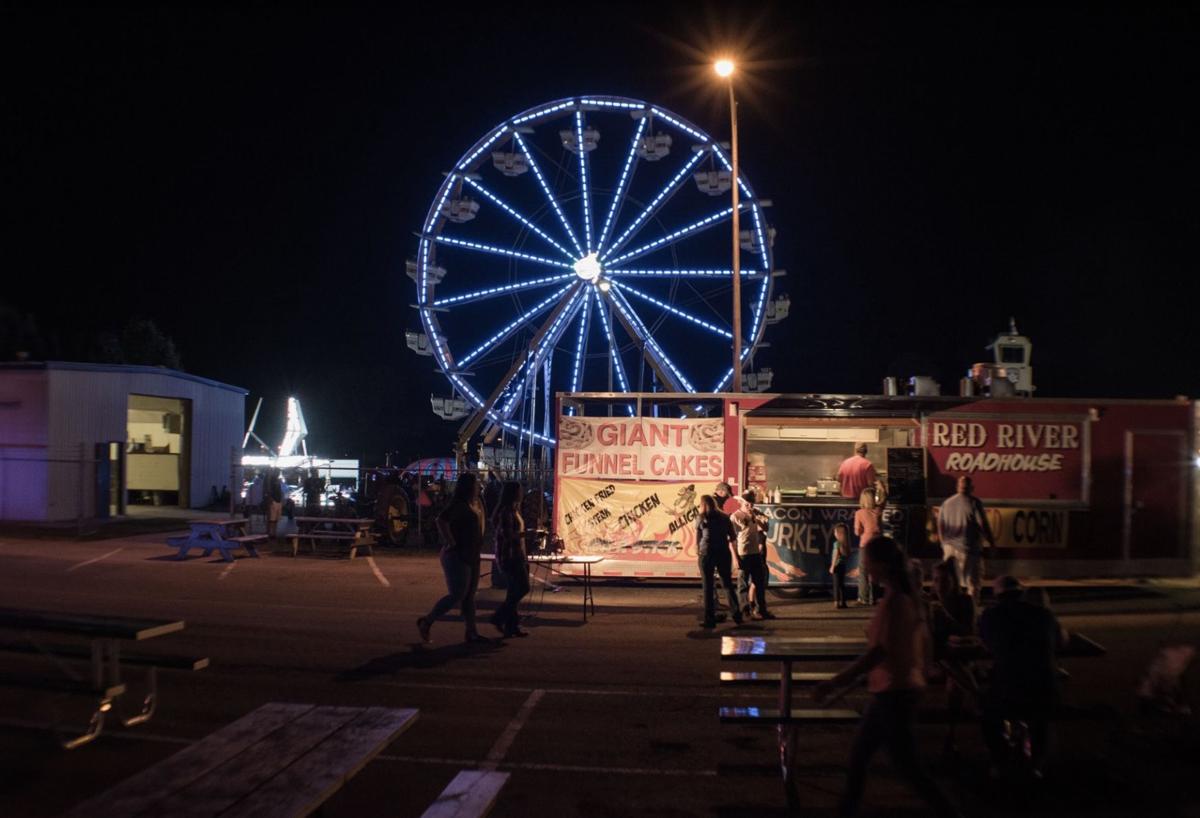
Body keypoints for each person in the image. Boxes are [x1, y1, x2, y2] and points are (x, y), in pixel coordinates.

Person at [814, 537, 960, 818]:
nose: (864, 565)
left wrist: (834, 683)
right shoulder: (904, 599)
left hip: (895, 693)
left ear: (880, 565)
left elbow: (878, 653)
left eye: (867, 560)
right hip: (893, 690)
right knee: (861, 758)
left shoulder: (895, 603)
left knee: (908, 768)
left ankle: (950, 812)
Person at [979, 575, 1065, 778]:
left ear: (997, 596)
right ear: (1021, 594)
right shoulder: (1044, 615)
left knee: (986, 712)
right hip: (1046, 690)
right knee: (1040, 714)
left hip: (1009, 691)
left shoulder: (990, 616)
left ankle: (1000, 760)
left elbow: (987, 646)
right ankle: (1037, 763)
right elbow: (1061, 643)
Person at [417, 473, 487, 644]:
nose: (478, 486)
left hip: (472, 554)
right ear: (469, 487)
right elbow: (441, 520)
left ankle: (472, 633)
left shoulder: (476, 503)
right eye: (476, 484)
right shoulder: (459, 504)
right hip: (457, 555)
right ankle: (427, 621)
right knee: (457, 594)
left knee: (469, 596)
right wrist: (451, 541)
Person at [930, 559, 977, 757]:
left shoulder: (964, 602)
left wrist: (948, 622)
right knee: (957, 678)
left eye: (944, 580)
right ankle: (979, 698)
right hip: (936, 660)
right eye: (936, 580)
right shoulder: (929, 603)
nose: (939, 585)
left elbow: (969, 633)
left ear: (954, 581)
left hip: (957, 659)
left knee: (954, 682)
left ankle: (950, 734)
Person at [937, 475, 995, 605]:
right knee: (973, 584)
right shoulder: (974, 502)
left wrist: (944, 544)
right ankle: (971, 611)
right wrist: (992, 544)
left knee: (952, 582)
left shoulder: (946, 503)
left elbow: (940, 527)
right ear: (972, 487)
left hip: (949, 549)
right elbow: (983, 525)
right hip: (969, 550)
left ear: (957, 487)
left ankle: (950, 609)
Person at [489, 481, 530, 637]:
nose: (522, 493)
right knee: (523, 588)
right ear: (513, 493)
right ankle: (498, 617)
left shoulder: (514, 510)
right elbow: (507, 536)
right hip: (510, 556)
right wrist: (528, 534)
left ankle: (511, 626)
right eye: (520, 491)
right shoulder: (506, 512)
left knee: (513, 592)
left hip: (517, 554)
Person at [695, 495, 742, 629]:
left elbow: (697, 538)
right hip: (723, 552)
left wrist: (697, 551)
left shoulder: (701, 517)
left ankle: (710, 620)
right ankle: (737, 615)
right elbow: (732, 536)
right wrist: (735, 556)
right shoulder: (724, 517)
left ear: (702, 504)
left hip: (707, 552)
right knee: (727, 584)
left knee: (708, 587)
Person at [730, 491, 774, 620]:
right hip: (743, 553)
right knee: (743, 584)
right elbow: (731, 539)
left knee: (759, 583)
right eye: (748, 503)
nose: (750, 506)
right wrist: (735, 558)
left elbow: (765, 529)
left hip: (755, 553)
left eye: (752, 503)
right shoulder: (736, 516)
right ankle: (745, 611)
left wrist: (757, 519)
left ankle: (761, 610)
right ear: (742, 503)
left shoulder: (755, 514)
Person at [853, 488, 885, 606]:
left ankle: (863, 598)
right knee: (875, 571)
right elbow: (883, 499)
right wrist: (882, 487)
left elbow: (857, 532)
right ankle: (874, 598)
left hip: (865, 544)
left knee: (863, 571)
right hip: (877, 543)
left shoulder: (859, 513)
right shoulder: (878, 511)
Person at [829, 522, 851, 609]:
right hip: (843, 566)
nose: (834, 534)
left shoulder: (836, 543)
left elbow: (835, 555)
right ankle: (844, 602)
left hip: (837, 565)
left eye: (835, 532)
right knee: (842, 585)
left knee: (836, 585)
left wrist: (832, 566)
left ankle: (836, 603)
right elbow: (847, 555)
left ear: (838, 533)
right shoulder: (846, 544)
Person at [264, 467, 284, 539]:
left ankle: (273, 533)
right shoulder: (271, 479)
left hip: (278, 500)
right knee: (272, 519)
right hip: (274, 500)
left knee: (276, 519)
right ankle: (271, 533)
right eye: (277, 472)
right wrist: (271, 499)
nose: (278, 473)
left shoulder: (277, 480)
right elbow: (268, 490)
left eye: (279, 472)